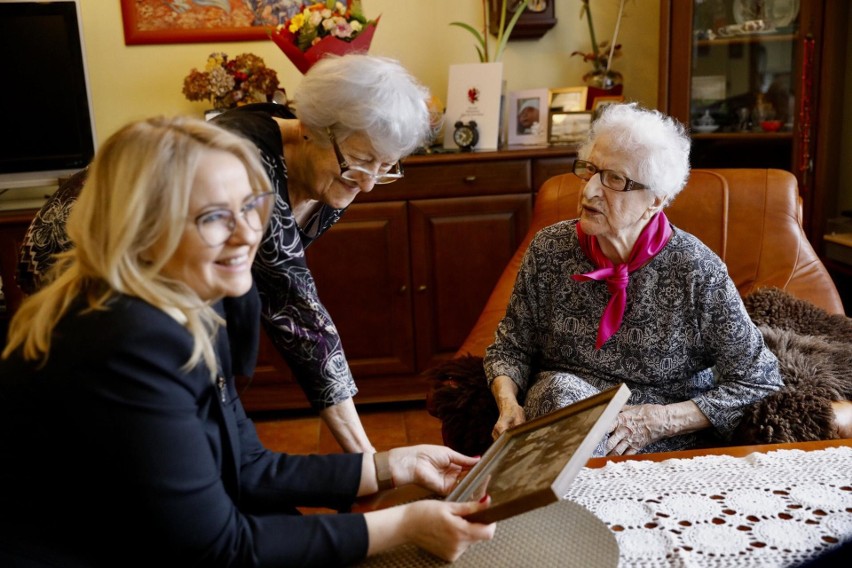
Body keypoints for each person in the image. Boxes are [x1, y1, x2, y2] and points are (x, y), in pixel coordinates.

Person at [0, 116, 494, 567]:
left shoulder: (201, 300)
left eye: (252, 205)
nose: (247, 235)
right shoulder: (121, 341)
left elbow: (248, 465)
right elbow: (220, 548)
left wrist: (392, 465)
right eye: (215, 216)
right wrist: (404, 525)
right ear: (143, 229)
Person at [15, 54, 433, 454]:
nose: (368, 185)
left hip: (168, 277)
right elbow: (296, 308)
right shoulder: (245, 162)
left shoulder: (332, 163)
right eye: (360, 163)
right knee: (119, 407)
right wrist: (367, 456)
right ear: (311, 128)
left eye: (387, 167)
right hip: (81, 248)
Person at [484, 103, 784, 455]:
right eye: (590, 170)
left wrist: (657, 421)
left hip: (660, 436)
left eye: (614, 179)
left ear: (655, 200)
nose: (590, 191)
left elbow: (759, 380)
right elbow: (510, 347)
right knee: (558, 392)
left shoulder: (696, 270)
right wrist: (508, 403)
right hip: (562, 413)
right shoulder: (550, 250)